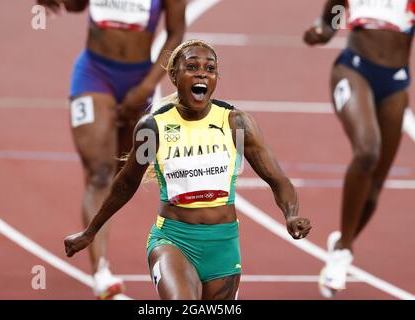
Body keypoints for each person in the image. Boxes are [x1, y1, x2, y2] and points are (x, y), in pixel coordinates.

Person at [63, 39, 312, 300]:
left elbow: (277, 178)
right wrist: (91, 231)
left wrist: (291, 215)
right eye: (192, 66)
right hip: (173, 240)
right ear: (174, 75)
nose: (202, 73)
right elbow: (126, 183)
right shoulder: (154, 127)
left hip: (223, 245)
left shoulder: (236, 123)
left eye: (210, 68)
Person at [37, 0, 186, 299]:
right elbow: (78, 5)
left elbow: (175, 33)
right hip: (94, 73)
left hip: (140, 78)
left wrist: (146, 87)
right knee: (99, 172)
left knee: (122, 173)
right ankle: (100, 271)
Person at [303, 0, 414, 298]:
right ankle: (343, 253)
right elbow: (333, 20)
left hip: (396, 83)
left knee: (374, 188)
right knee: (367, 151)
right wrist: (320, 32)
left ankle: (341, 246)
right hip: (353, 70)